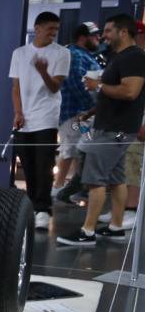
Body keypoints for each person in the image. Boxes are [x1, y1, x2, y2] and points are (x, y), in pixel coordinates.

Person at [58, 15, 145, 246]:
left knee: (94, 179)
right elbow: (115, 93)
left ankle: (87, 232)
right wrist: (89, 113)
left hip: (115, 129)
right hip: (114, 126)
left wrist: (99, 85)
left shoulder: (134, 57)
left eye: (107, 31)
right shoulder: (121, 57)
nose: (104, 35)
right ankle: (116, 226)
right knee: (117, 179)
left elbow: (130, 92)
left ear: (123, 32)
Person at [9, 11, 69, 230]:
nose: (53, 33)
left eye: (56, 29)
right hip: (24, 117)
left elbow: (55, 87)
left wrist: (43, 72)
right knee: (28, 163)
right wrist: (18, 112)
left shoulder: (61, 53)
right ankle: (32, 204)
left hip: (47, 116)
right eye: (50, 28)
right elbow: (16, 87)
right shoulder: (20, 53)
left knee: (44, 164)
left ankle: (43, 208)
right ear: (38, 28)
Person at [52, 22, 102, 196]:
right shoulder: (77, 55)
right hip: (76, 114)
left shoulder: (80, 54)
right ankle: (58, 188)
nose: (99, 38)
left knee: (77, 150)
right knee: (70, 149)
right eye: (95, 35)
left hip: (77, 114)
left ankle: (72, 188)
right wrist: (94, 107)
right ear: (83, 37)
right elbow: (76, 83)